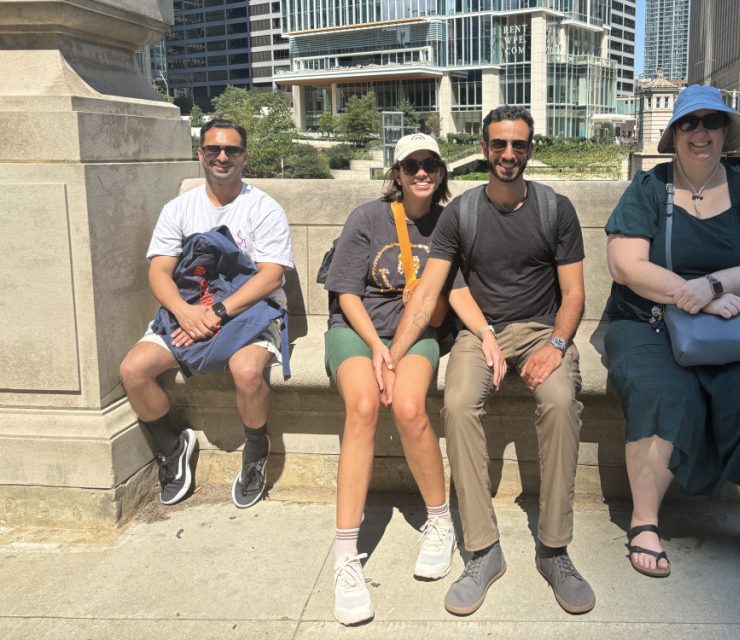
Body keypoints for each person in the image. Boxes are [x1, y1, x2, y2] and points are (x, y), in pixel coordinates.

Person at [379, 106, 593, 616]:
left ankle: (555, 549)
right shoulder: (463, 213)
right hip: (483, 334)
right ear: (483, 148)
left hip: (544, 331)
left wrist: (557, 346)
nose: (508, 155)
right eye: (499, 145)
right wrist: (391, 355)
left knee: (561, 401)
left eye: (518, 145)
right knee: (455, 404)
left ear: (531, 149)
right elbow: (429, 291)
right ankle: (482, 550)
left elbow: (575, 294)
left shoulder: (554, 209)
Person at [603, 85, 740, 581]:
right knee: (662, 391)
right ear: (675, 133)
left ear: (726, 131)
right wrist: (698, 295)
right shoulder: (649, 187)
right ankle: (644, 523)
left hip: (735, 325)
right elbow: (625, 265)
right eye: (690, 123)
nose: (701, 132)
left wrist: (716, 284)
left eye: (712, 122)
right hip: (648, 321)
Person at [324, 133, 478, 625]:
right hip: (357, 331)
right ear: (396, 174)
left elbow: (453, 294)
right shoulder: (368, 217)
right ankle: (345, 556)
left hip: (416, 338)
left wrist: (487, 334)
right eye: (411, 164)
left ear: (441, 171)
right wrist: (376, 349)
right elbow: (347, 292)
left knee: (410, 406)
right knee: (364, 406)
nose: (421, 172)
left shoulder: (448, 223)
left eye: (430, 163)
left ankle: (438, 521)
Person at [119, 119, 294, 510]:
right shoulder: (179, 208)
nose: (222, 157)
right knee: (134, 369)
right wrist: (184, 312)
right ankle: (172, 446)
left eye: (231, 150)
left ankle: (255, 450)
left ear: (244, 157)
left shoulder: (263, 208)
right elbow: (158, 271)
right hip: (188, 309)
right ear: (200, 154)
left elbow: (271, 277)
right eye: (213, 149)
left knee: (247, 373)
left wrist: (214, 313)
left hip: (249, 309)